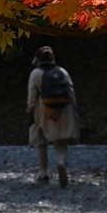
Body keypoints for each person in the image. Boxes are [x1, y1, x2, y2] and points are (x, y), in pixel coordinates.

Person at [26, 45, 79, 188]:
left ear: (37, 59)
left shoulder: (36, 73)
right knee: (60, 141)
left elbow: (32, 97)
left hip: (44, 110)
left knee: (41, 142)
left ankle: (43, 173)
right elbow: (71, 92)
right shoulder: (62, 71)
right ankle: (61, 163)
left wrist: (30, 112)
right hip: (65, 108)